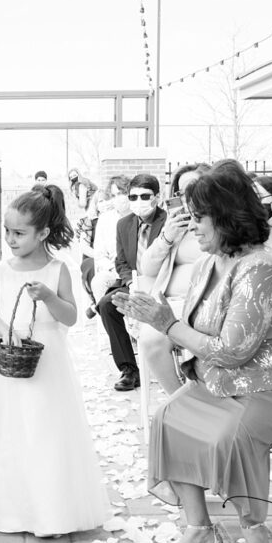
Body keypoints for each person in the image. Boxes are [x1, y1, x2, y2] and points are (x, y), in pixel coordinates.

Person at [113, 159, 272, 543]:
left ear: (227, 217)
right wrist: (158, 314)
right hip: (224, 384)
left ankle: (255, 527)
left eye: (199, 216)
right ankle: (199, 530)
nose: (192, 226)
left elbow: (229, 351)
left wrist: (165, 324)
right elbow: (194, 330)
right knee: (169, 417)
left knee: (235, 433)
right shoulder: (209, 263)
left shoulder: (260, 267)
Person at [0, 188, 109, 535]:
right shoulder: (1, 269)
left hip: (47, 361)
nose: (10, 240)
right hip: (6, 358)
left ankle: (50, 512)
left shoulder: (58, 270)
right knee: (9, 432)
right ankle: (11, 509)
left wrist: (47, 296)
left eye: (19, 233)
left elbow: (71, 317)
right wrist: (6, 331)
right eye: (7, 232)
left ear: (42, 233)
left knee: (45, 432)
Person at [133, 164, 208, 395]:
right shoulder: (174, 224)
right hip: (171, 303)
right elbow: (147, 268)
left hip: (205, 303)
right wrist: (167, 236)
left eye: (192, 188)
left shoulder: (220, 223)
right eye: (181, 191)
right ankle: (179, 400)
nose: (187, 196)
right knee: (150, 340)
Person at [96, 173, 167, 391]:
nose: (138, 202)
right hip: (132, 284)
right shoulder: (124, 224)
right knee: (107, 305)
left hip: (160, 284)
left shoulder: (167, 222)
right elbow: (122, 261)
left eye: (144, 196)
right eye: (133, 197)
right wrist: (130, 283)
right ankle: (129, 369)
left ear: (157, 196)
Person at [81, 175, 130, 319]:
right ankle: (108, 323)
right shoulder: (105, 219)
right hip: (112, 270)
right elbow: (100, 253)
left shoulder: (138, 216)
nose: (119, 198)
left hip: (134, 271)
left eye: (122, 193)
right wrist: (111, 267)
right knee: (99, 282)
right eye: (114, 195)